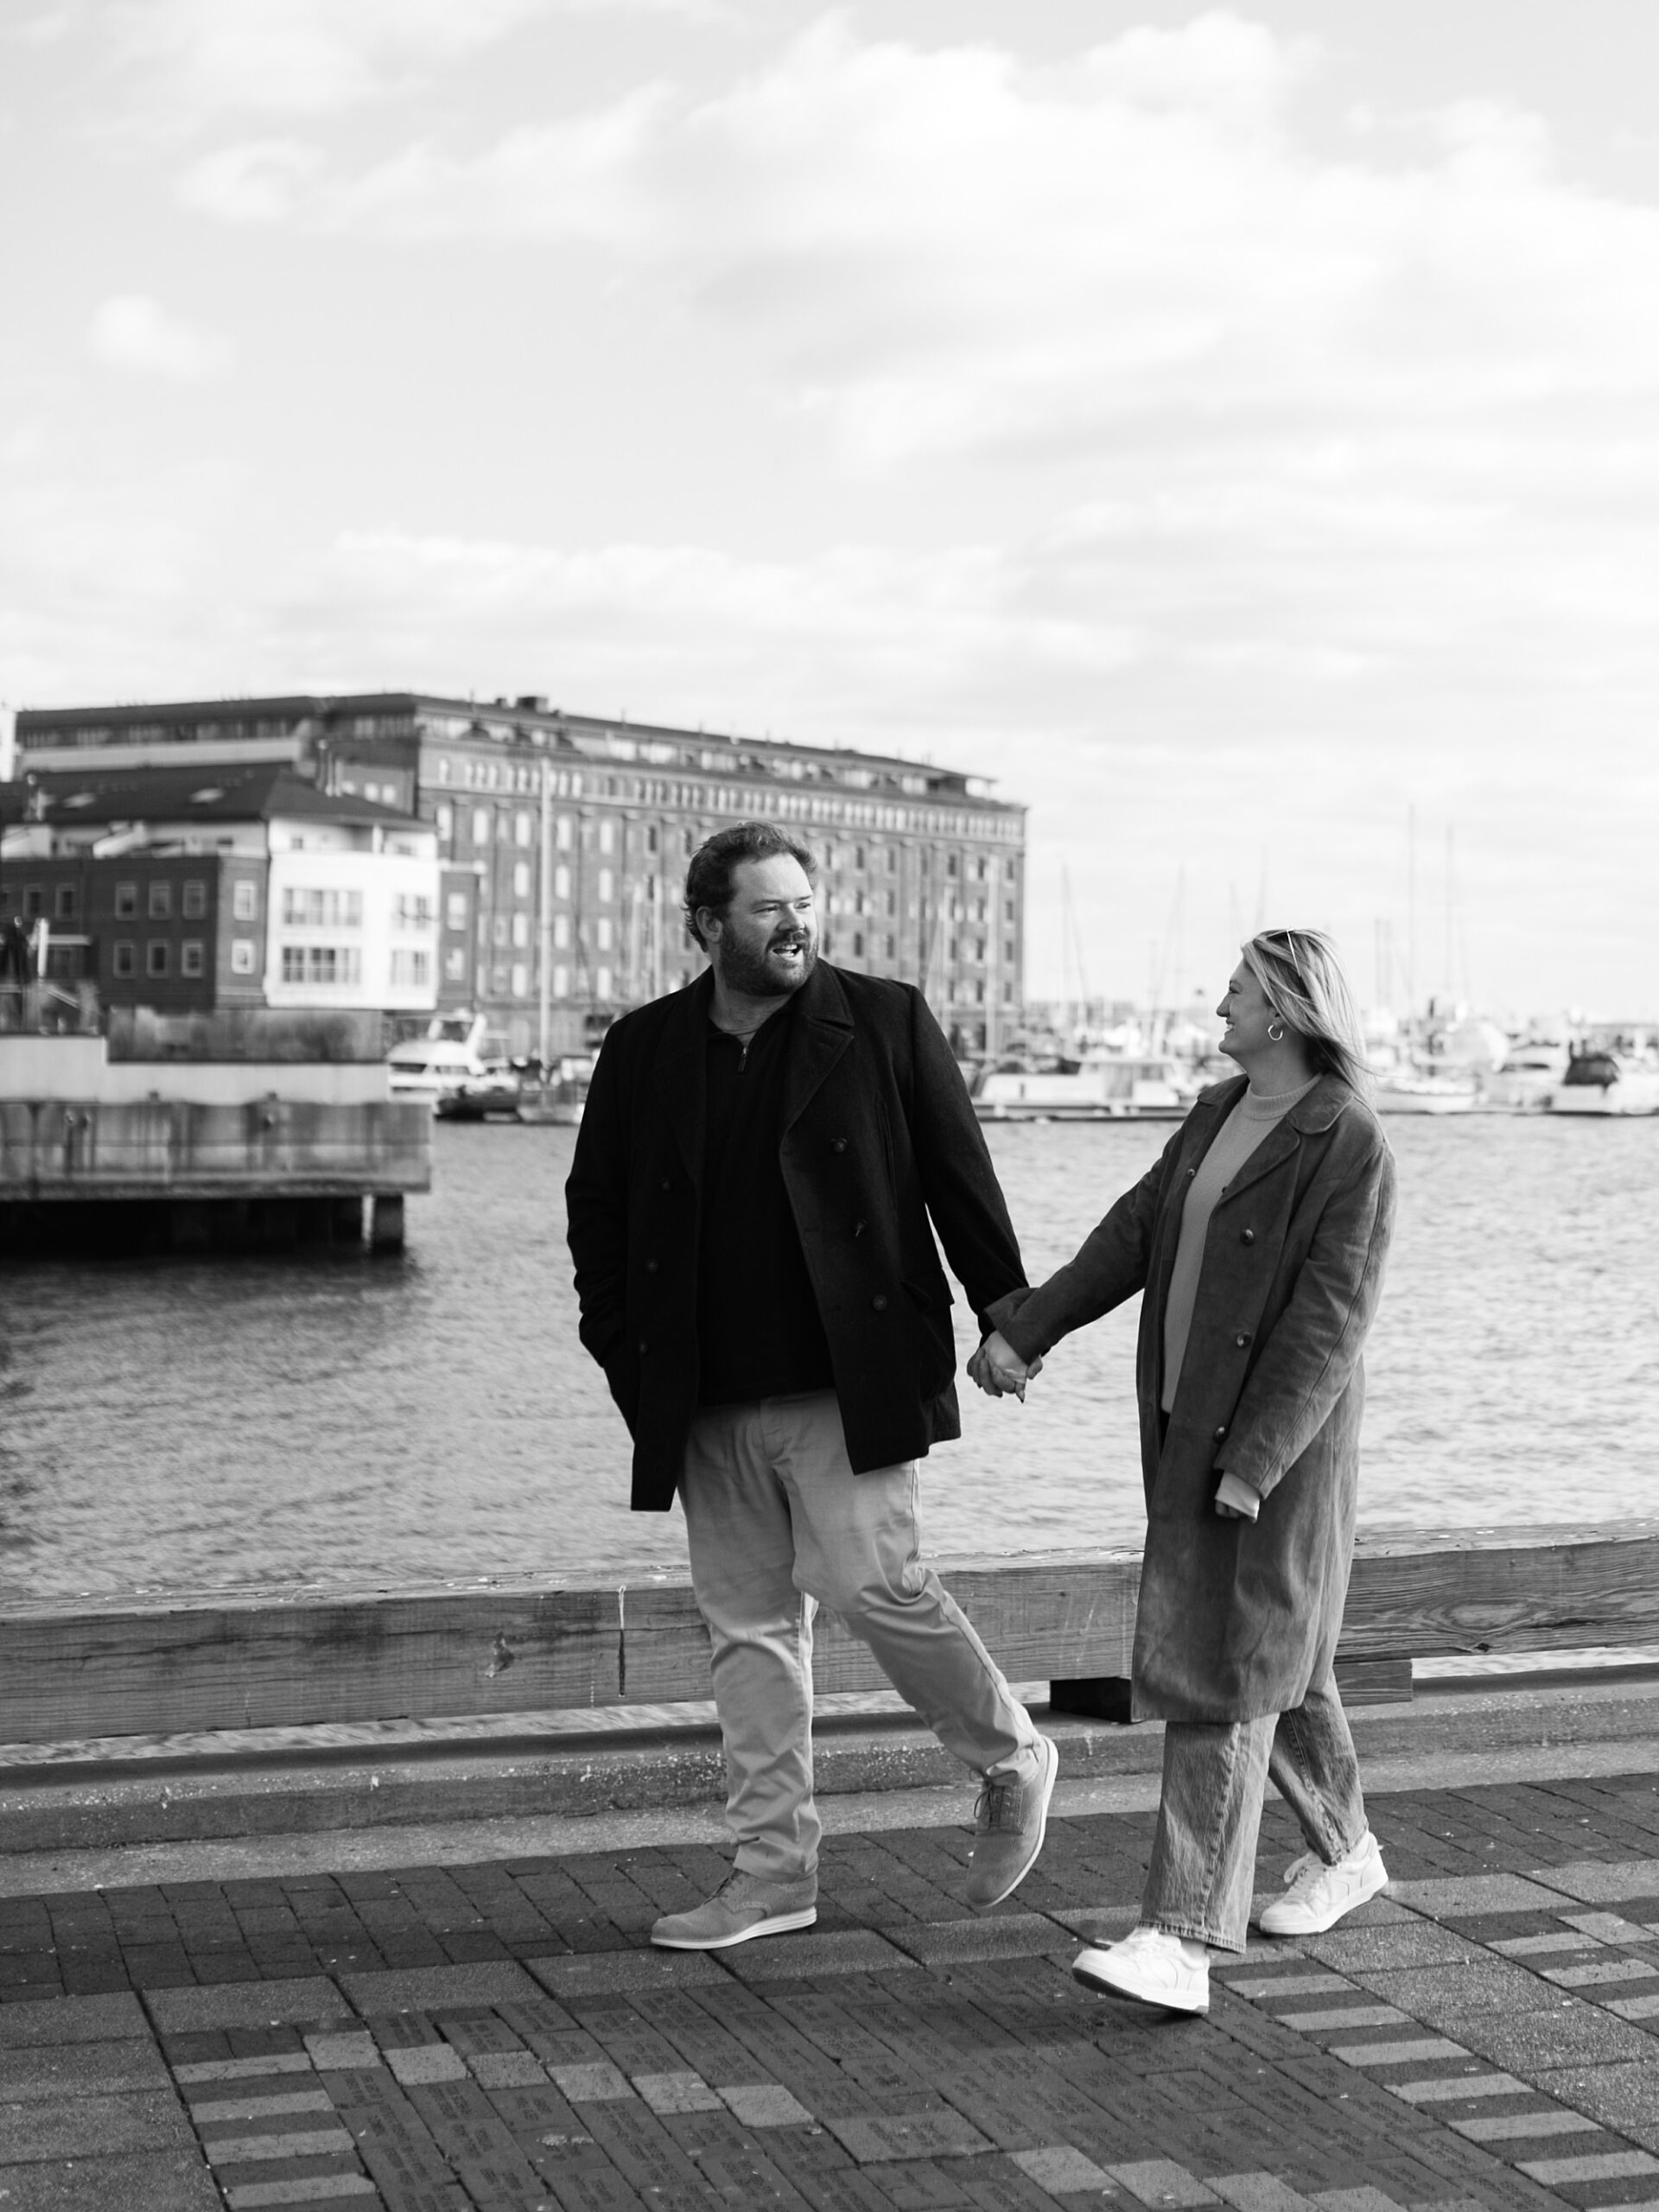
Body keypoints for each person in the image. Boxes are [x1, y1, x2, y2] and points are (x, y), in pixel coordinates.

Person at [566, 822, 1058, 1951]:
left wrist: (1007, 1317)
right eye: (766, 908)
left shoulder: (881, 1022)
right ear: (706, 925)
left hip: (848, 1376)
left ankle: (1009, 1757)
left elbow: (958, 1181)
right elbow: (595, 1207)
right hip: (700, 1392)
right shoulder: (643, 1048)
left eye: (804, 902)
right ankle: (772, 1873)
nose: (796, 923)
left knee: (874, 1584)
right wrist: (622, 1347)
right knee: (747, 1632)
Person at [971, 927, 1395, 2015]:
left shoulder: (1349, 1145)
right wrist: (1029, 1328)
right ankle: (1347, 1851)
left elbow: (1328, 1327)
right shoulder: (1216, 1112)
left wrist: (1253, 1466)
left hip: (1271, 1457)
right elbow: (1134, 1233)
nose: (1218, 1007)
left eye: (1238, 992)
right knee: (1269, 1653)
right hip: (1185, 1426)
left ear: (1287, 1013)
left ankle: (1182, 1938)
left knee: (1226, 1670)